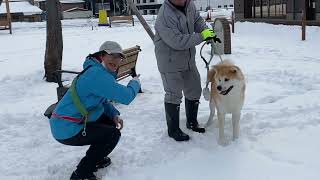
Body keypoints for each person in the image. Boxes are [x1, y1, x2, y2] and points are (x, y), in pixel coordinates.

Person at [49, 41, 141, 180]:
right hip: (66, 128)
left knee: (109, 122)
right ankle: (81, 174)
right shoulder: (96, 75)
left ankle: (96, 158)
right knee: (112, 135)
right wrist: (135, 82)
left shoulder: (96, 70)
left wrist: (114, 114)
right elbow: (126, 97)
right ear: (102, 56)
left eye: (119, 57)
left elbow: (101, 100)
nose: (116, 60)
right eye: (113, 55)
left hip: (70, 121)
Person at [154, 0, 221, 141]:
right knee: (173, 94)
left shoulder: (189, 5)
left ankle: (192, 121)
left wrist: (207, 32)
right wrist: (202, 36)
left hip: (188, 59)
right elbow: (177, 41)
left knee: (194, 89)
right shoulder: (165, 15)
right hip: (169, 61)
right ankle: (173, 130)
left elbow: (197, 21)